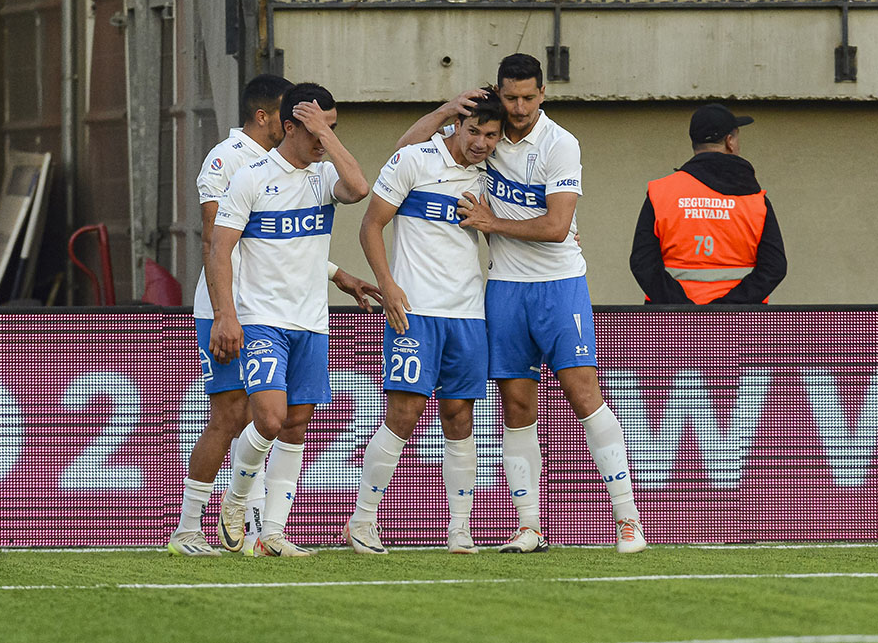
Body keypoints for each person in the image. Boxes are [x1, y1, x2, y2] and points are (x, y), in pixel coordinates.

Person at [399, 53, 648, 554]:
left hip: (559, 285)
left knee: (583, 395)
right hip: (504, 287)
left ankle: (628, 519)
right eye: (510, 97)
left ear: (542, 95)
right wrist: (449, 109)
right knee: (516, 405)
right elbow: (404, 153)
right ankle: (529, 526)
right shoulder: (483, 136)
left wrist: (493, 225)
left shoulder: (559, 143)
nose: (517, 107)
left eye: (527, 98)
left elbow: (557, 228)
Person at [168, 76, 380, 558]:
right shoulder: (242, 170)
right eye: (316, 129)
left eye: (332, 130)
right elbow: (217, 247)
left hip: (309, 321)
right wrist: (226, 314)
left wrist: (326, 135)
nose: (325, 140)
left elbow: (359, 187)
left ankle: (272, 534)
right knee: (248, 416)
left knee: (295, 423)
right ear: (286, 124)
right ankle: (202, 520)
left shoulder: (322, 177)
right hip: (250, 314)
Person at [344, 89, 505, 555]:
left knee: (461, 417)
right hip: (414, 311)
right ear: (457, 124)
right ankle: (363, 521)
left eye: (491, 135)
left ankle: (459, 530)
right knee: (405, 414)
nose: (481, 142)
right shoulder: (415, 158)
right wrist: (387, 283)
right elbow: (369, 225)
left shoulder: (490, 173)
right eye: (474, 130)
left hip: (468, 314)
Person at [629, 103, 787, 304]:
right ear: (729, 141)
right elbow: (775, 267)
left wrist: (682, 308)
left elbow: (643, 262)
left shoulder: (660, 193)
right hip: (740, 323)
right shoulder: (756, 200)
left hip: (670, 323)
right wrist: (726, 309)